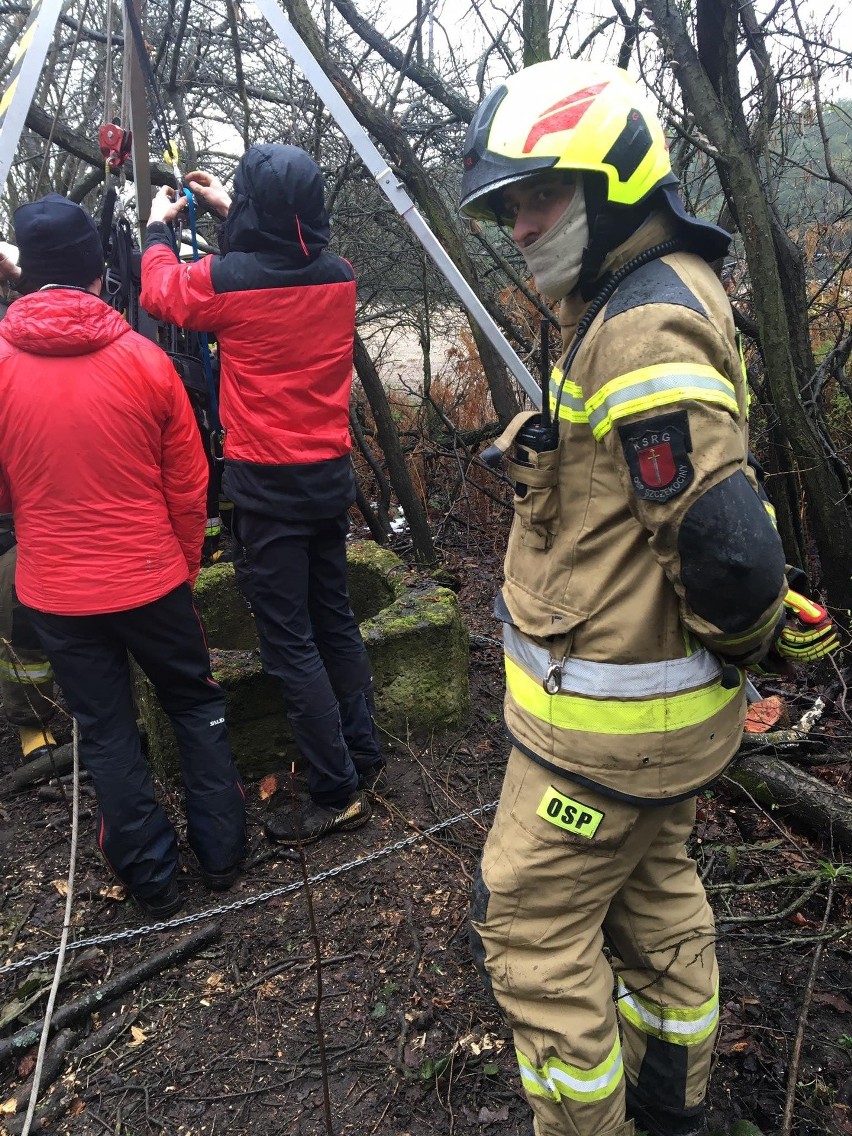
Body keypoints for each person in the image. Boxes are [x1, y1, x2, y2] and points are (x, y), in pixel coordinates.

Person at [459, 61, 837, 1136]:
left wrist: (762, 626)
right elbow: (661, 503)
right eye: (509, 204)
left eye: (538, 193)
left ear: (616, 179)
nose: (520, 224)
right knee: (653, 897)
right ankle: (676, 1106)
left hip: (604, 736)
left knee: (529, 922)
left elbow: (725, 552)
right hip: (657, 733)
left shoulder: (640, 326)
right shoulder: (649, 292)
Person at [0, 193, 246, 918]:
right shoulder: (144, 361)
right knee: (195, 705)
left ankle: (154, 885)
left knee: (105, 731)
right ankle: (224, 859)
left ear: (23, 276)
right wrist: (177, 563)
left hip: (58, 593)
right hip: (151, 578)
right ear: (101, 275)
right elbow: (190, 481)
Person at [140, 143, 385, 847]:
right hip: (327, 478)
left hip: (267, 485)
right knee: (332, 620)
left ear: (255, 210)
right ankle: (361, 755)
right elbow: (286, 251)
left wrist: (158, 229)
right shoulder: (340, 277)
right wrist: (228, 209)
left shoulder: (227, 283)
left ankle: (335, 790)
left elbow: (161, 291)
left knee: (289, 643)